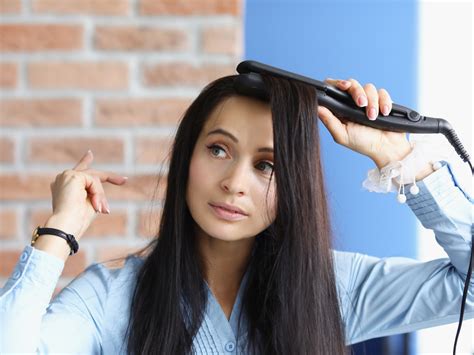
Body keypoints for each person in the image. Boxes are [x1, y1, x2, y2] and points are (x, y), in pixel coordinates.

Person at [0, 74, 472, 354]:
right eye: (219, 150)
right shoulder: (111, 297)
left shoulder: (332, 286)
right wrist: (57, 233)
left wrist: (402, 161)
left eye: (266, 165)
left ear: (295, 188)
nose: (235, 182)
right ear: (188, 158)